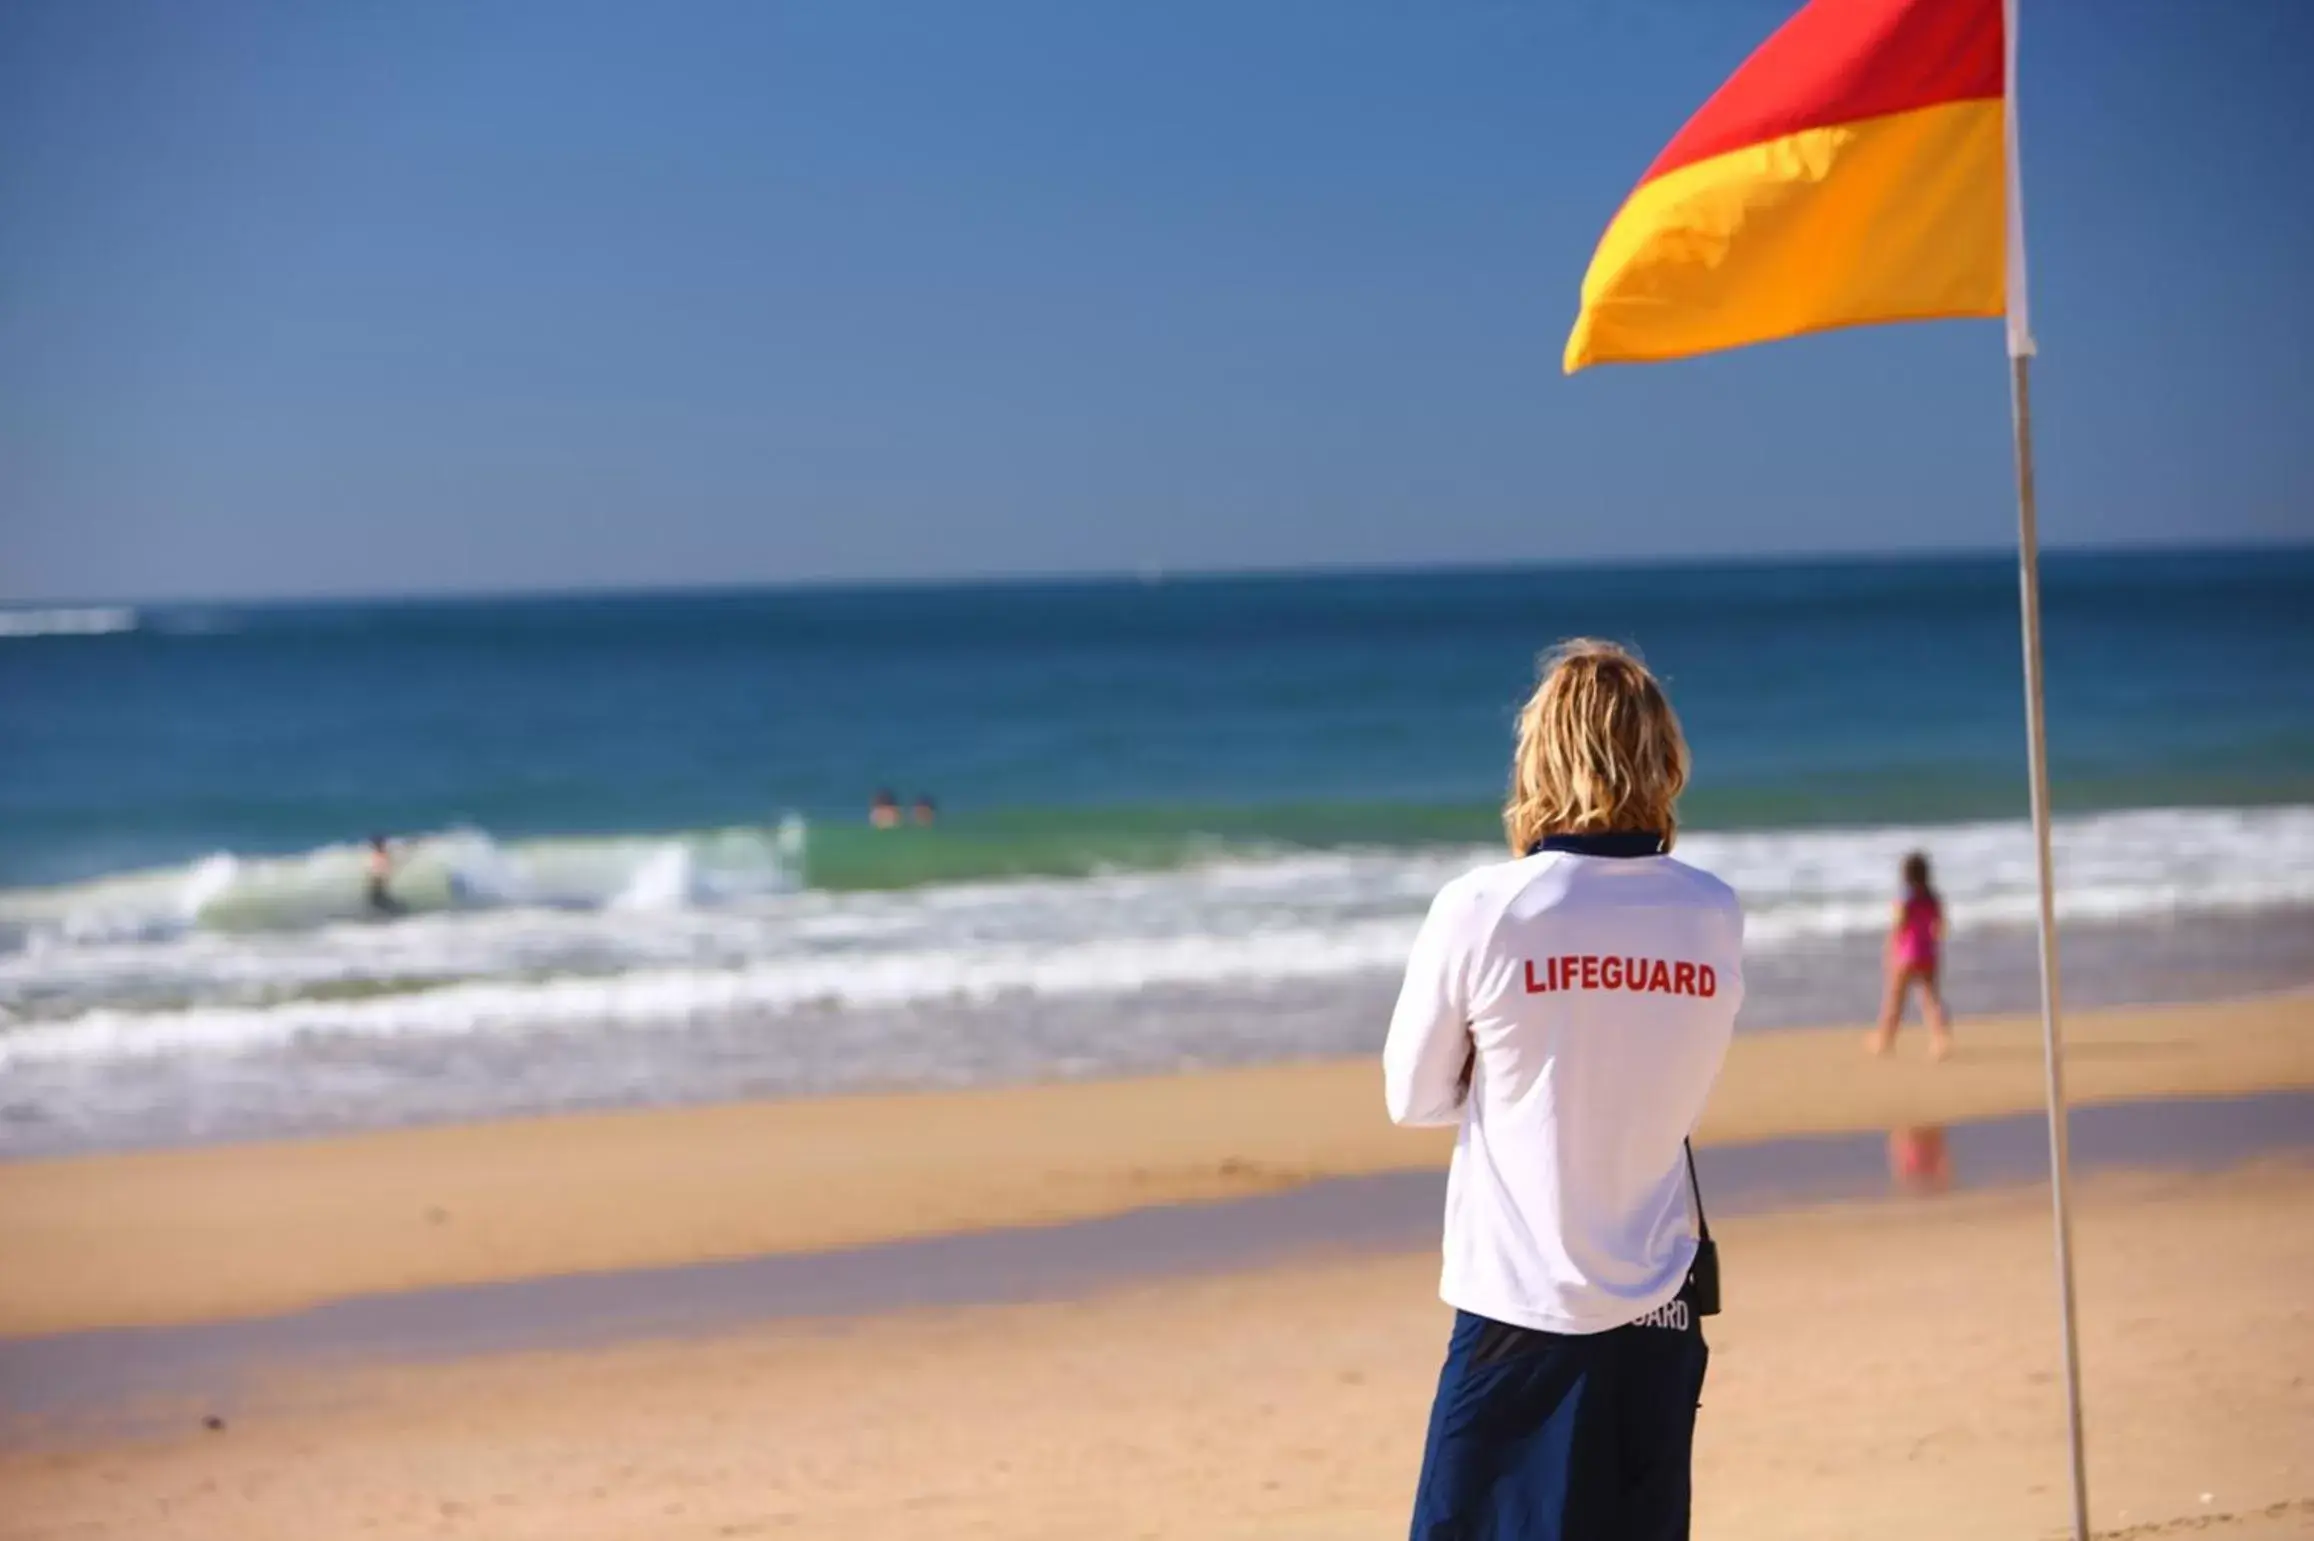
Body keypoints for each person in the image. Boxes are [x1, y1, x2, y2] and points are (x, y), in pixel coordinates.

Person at [1386, 638, 1742, 1540]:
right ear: (1660, 756)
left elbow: (1414, 1094)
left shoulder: (1485, 906)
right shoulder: (1709, 910)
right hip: (1657, 1298)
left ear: (1542, 755)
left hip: (1520, 1304)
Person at [1868, 850, 1952, 1060]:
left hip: (1906, 954)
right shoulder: (1932, 899)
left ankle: (1885, 1039)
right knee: (1931, 999)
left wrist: (1889, 951)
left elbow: (1898, 927)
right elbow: (1939, 927)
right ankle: (1940, 1038)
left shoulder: (1906, 899)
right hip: (1927, 952)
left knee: (1895, 999)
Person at [363, 835, 402, 916]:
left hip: (378, 881)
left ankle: (390, 914)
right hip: (377, 881)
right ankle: (388, 915)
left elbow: (385, 868)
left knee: (378, 900)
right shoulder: (380, 854)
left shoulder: (383, 854)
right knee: (376, 901)